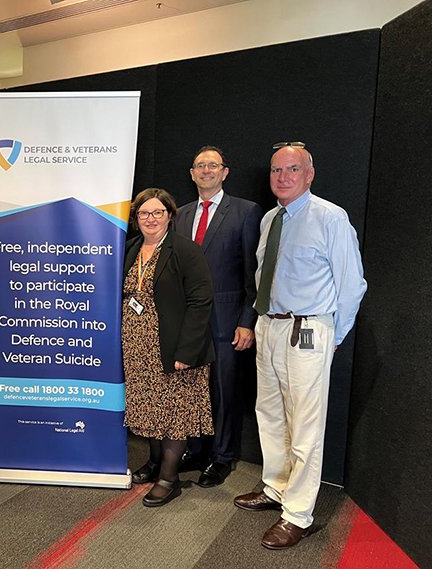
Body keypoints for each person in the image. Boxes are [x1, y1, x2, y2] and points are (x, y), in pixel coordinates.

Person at [233, 143, 367, 550]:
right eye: (277, 170)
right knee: (270, 413)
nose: (283, 177)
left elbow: (352, 286)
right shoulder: (271, 219)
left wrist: (332, 336)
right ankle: (275, 488)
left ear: (309, 174)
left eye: (293, 169)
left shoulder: (330, 217)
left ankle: (298, 515)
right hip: (269, 326)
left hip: (308, 330)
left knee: (306, 426)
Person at [174, 146, 262, 487]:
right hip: (187, 322)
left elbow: (253, 273)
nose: (206, 170)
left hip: (228, 320)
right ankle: (195, 450)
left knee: (224, 390)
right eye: (200, 165)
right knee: (191, 387)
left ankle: (222, 457)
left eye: (213, 165)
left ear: (224, 172)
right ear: (192, 173)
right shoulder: (180, 215)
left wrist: (246, 320)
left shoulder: (245, 211)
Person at [123, 188, 215, 507]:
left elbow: (201, 301)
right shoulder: (131, 248)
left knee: (175, 413)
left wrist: (186, 353)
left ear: (170, 216)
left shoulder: (185, 251)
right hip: (138, 348)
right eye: (144, 214)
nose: (151, 219)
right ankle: (154, 463)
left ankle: (169, 477)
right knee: (149, 408)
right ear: (136, 219)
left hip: (174, 348)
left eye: (158, 213)